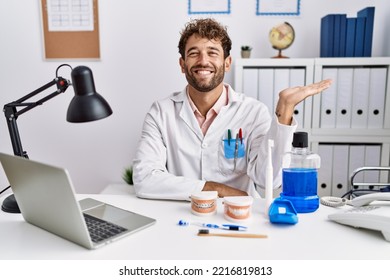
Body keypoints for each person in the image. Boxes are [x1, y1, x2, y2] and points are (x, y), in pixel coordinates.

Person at [132, 18, 332, 200]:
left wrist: (285, 110)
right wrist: (215, 189)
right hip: (182, 217)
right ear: (182, 64)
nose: (203, 61)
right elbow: (145, 179)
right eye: (194, 53)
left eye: (212, 52)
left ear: (227, 63)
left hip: (238, 218)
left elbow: (269, 181)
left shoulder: (253, 113)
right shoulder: (161, 113)